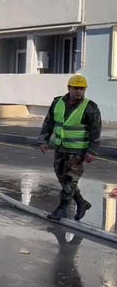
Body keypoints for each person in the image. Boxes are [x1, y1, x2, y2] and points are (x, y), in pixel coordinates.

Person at [38, 74, 101, 221]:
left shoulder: (90, 108)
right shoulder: (57, 103)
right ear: (69, 88)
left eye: (82, 89)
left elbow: (95, 131)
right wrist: (43, 140)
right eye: (76, 88)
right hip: (61, 147)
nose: (79, 91)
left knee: (70, 179)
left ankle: (62, 209)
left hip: (78, 150)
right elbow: (48, 123)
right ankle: (81, 202)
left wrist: (92, 151)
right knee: (62, 177)